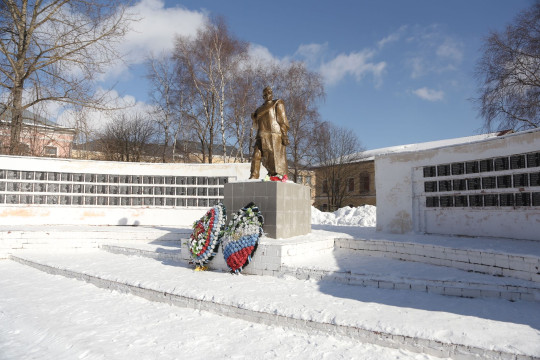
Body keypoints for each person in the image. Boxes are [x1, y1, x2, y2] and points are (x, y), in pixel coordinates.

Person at [249, 86, 290, 179]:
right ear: (263, 96)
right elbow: (255, 125)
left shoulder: (277, 103)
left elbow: (282, 120)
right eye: (265, 94)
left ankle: (277, 175)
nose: (268, 95)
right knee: (256, 155)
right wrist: (254, 117)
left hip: (274, 134)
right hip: (261, 135)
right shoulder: (259, 109)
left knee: (273, 157)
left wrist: (284, 135)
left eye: (269, 93)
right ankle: (254, 175)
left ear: (272, 94)